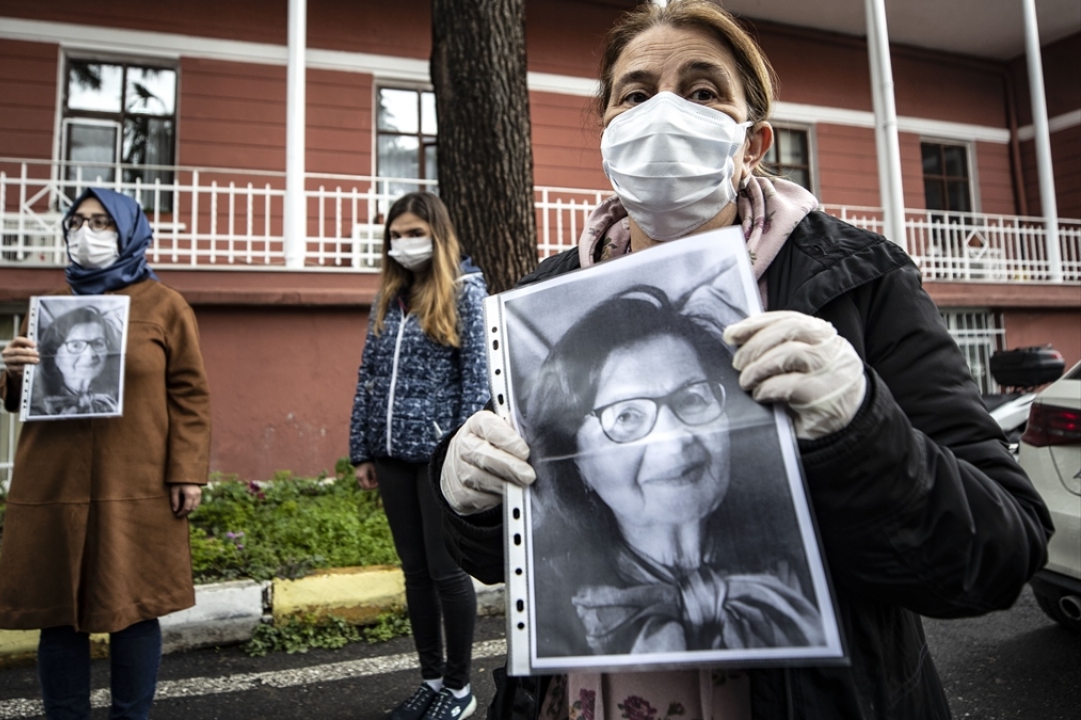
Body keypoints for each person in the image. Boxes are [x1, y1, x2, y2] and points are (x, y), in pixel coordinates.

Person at [431, 2, 1052, 719]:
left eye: (702, 91)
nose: (664, 113)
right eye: (635, 95)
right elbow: (517, 550)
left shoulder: (858, 282)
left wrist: (861, 429)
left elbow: (999, 551)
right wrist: (471, 499)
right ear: (607, 131)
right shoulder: (542, 302)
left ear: (752, 142)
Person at [0, 187, 211, 720]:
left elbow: (190, 395)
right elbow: (21, 398)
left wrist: (187, 471)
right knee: (59, 612)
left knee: (134, 609)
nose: (86, 233)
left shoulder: (166, 306)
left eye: (101, 222)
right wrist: (15, 370)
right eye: (77, 222)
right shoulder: (50, 308)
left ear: (129, 231)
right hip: (55, 480)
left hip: (135, 482)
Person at [525, 285, 822, 659]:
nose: (675, 441)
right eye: (626, 416)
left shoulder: (808, 548)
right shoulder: (543, 601)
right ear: (576, 461)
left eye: (693, 398)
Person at [349, 191, 488, 720]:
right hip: (389, 455)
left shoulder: (466, 292)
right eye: (396, 235)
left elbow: (476, 383)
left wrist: (460, 456)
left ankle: (459, 689)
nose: (404, 244)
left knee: (445, 572)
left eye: (415, 234)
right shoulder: (389, 296)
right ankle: (430, 682)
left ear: (438, 235)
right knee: (414, 573)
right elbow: (367, 375)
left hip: (438, 458)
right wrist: (361, 450)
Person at [31, 304, 122, 416]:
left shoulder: (114, 400)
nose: (90, 354)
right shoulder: (38, 402)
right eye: (75, 345)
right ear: (53, 353)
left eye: (98, 343)